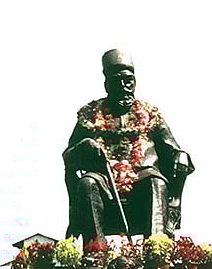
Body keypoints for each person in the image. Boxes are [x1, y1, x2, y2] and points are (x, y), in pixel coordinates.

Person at [64, 49, 194, 242]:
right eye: (118, 81)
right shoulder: (90, 116)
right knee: (87, 183)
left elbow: (172, 149)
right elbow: (68, 155)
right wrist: (83, 146)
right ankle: (96, 252)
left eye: (129, 81)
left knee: (155, 182)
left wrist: (181, 155)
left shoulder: (150, 115)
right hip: (104, 183)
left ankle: (157, 251)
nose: (124, 87)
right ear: (107, 85)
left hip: (142, 183)